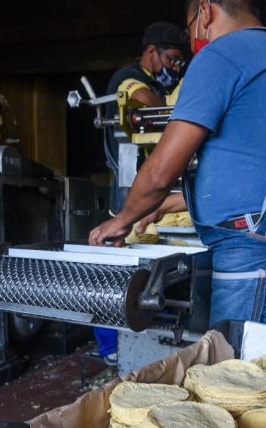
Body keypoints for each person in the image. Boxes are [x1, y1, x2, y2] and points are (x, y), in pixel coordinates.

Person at [89, 0, 266, 330]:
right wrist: (159, 208)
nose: (192, 47)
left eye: (189, 32)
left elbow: (160, 171)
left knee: (234, 379)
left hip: (254, 255)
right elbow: (252, 178)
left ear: (205, 12)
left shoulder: (221, 55)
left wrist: (121, 220)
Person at [94, 22, 187, 366]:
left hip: (152, 196)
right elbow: (143, 100)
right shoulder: (129, 78)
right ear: (152, 52)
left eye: (180, 64)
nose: (176, 69)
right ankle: (112, 350)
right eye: (173, 60)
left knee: (151, 277)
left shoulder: (168, 86)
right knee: (115, 272)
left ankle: (147, 339)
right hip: (132, 191)